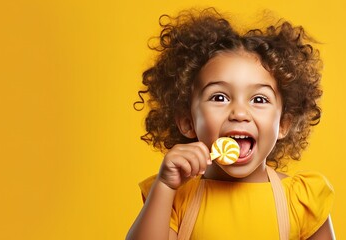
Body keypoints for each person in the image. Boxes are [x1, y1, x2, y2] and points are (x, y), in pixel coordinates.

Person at [126, 8, 335, 240]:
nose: (239, 113)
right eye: (219, 97)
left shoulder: (301, 200)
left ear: (284, 123)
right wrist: (164, 186)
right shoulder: (175, 197)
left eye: (259, 99)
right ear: (188, 122)